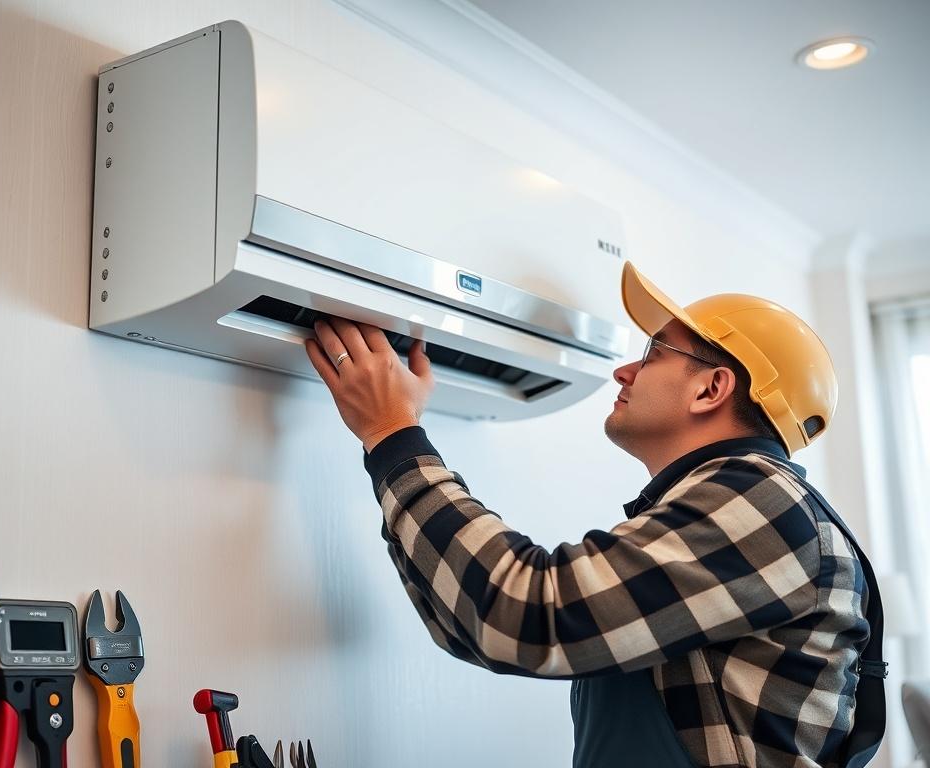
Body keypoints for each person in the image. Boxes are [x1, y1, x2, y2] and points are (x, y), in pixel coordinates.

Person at [304, 261, 885, 768]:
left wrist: (394, 435)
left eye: (655, 353)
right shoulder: (730, 506)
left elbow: (520, 612)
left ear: (711, 390)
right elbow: (469, 619)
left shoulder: (764, 502)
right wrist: (390, 436)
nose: (623, 372)